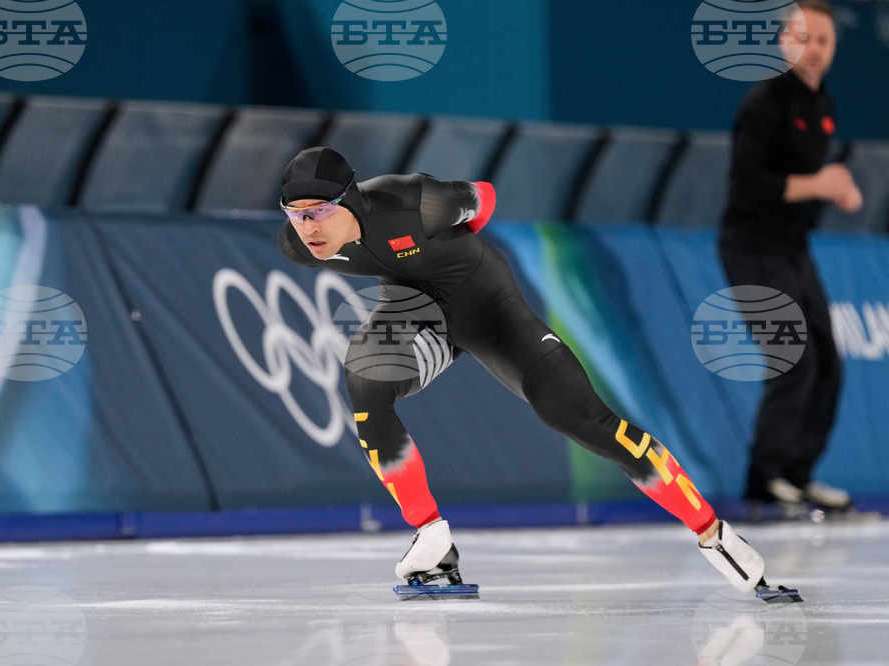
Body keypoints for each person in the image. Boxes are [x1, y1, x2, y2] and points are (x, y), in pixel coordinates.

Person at [278, 146, 783, 600]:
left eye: (319, 212)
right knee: (364, 378)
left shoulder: (413, 203)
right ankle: (430, 538)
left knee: (582, 418)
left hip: (489, 307)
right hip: (415, 310)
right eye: (296, 215)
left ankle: (713, 533)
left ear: (352, 201)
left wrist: (451, 252)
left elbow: (485, 198)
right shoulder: (298, 244)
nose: (309, 227)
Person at [718, 0, 862, 513]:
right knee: (793, 358)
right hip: (751, 245)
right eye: (805, 39)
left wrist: (835, 190)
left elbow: (810, 184)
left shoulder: (824, 107)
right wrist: (820, 183)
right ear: (785, 42)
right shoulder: (764, 104)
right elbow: (748, 184)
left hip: (794, 249)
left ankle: (799, 475)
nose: (815, 50)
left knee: (828, 363)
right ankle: (766, 477)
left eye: (824, 41)